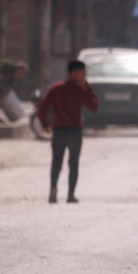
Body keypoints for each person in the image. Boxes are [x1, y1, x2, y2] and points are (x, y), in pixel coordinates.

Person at [38, 60, 99, 204]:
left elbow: (42, 108)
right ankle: (70, 195)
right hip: (74, 131)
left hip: (59, 130)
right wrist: (89, 90)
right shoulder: (80, 90)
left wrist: (45, 124)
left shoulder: (56, 88)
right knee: (73, 164)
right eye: (83, 73)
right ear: (75, 73)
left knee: (56, 163)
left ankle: (53, 189)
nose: (84, 76)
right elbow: (94, 107)